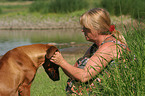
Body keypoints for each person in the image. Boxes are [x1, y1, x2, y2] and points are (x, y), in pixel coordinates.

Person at [49, 8, 129, 95]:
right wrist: (61, 63)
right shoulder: (95, 47)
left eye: (86, 28)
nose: (83, 30)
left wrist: (62, 62)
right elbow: (75, 72)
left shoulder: (109, 47)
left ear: (97, 28)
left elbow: (84, 76)